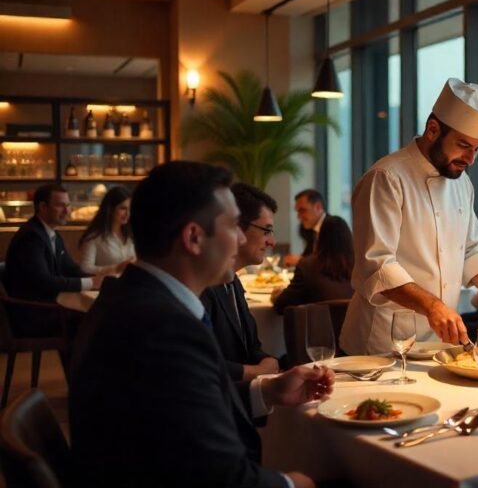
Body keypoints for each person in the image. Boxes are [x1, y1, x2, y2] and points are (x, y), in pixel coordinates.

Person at [69, 161, 333, 488]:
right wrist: (292, 484)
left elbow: (180, 409)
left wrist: (266, 390)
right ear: (193, 237)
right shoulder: (163, 330)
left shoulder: (128, 299)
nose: (240, 238)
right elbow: (220, 476)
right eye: (233, 225)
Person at [341, 77, 478, 354]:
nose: (470, 159)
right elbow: (377, 266)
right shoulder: (386, 178)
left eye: (477, 150)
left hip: (439, 341)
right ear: (433, 129)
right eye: (463, 145)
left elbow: (471, 251)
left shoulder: (462, 183)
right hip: (382, 344)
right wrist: (433, 306)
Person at [200, 183, 280, 382]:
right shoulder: (203, 287)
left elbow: (251, 347)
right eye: (266, 231)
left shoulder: (233, 282)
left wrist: (268, 362)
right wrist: (255, 372)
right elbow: (200, 364)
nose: (272, 242)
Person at [3, 184, 105, 335]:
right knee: (96, 321)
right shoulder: (31, 237)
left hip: (46, 308)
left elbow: (70, 269)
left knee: (98, 317)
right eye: (60, 205)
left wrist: (99, 281)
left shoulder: (52, 234)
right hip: (31, 315)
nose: (67, 211)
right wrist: (91, 283)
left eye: (68, 205)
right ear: (42, 207)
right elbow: (44, 281)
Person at [272, 215, 355, 313]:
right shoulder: (359, 267)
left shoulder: (307, 266)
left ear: (320, 238)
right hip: (354, 322)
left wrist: (276, 296)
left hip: (319, 323)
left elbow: (280, 306)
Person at [78, 185, 136, 276]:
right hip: (107, 283)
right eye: (123, 208)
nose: (128, 213)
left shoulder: (131, 235)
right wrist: (115, 268)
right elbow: (85, 268)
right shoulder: (94, 238)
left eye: (130, 209)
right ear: (111, 209)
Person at [283, 189, 326, 267]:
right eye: (297, 211)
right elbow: (309, 257)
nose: (298, 216)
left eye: (302, 210)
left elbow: (332, 262)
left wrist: (300, 260)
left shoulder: (335, 224)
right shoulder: (313, 231)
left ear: (318, 207)